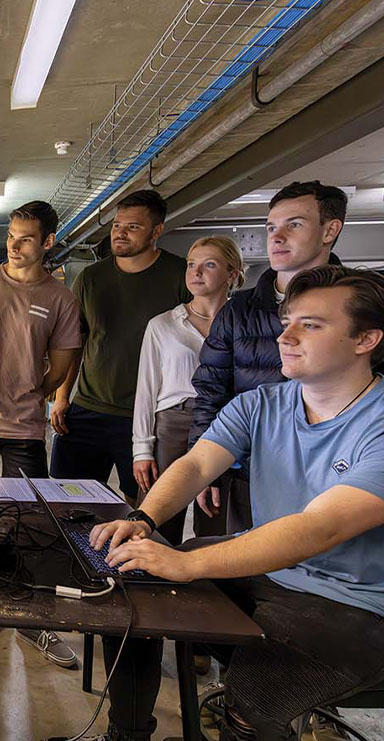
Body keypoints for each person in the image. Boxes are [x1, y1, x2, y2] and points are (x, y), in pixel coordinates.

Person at [44, 266, 384, 741]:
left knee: (254, 698)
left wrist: (187, 561)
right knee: (132, 581)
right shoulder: (262, 404)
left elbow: (320, 527)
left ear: (366, 339)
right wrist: (143, 521)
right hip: (270, 572)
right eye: (287, 321)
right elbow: (195, 466)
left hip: (356, 603)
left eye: (310, 326)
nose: (285, 337)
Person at [0, 200, 82, 668]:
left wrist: (30, 394)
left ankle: (31, 618)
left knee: (27, 521)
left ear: (47, 242)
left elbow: (61, 365)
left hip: (24, 427)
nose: (14, 245)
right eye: (11, 236)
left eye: (26, 238)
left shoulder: (62, 299)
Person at [190, 181, 347, 536]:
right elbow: (211, 388)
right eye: (271, 227)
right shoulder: (238, 310)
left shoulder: (363, 307)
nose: (276, 237)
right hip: (253, 469)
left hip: (335, 474)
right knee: (246, 570)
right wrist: (210, 464)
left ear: (330, 230)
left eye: (294, 225)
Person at [49, 190, 188, 506]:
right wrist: (61, 398)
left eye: (133, 227)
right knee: (66, 501)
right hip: (88, 407)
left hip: (148, 417)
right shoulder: (91, 278)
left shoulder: (179, 275)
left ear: (157, 232)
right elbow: (76, 342)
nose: (120, 233)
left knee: (141, 507)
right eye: (116, 226)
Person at [132, 236, 244, 545]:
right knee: (158, 516)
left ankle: (211, 587)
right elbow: (146, 390)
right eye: (191, 265)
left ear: (232, 274)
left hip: (226, 422)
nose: (196, 273)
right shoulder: (163, 325)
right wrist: (142, 449)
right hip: (173, 423)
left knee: (216, 516)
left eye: (209, 265)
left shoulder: (242, 323)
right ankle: (152, 582)